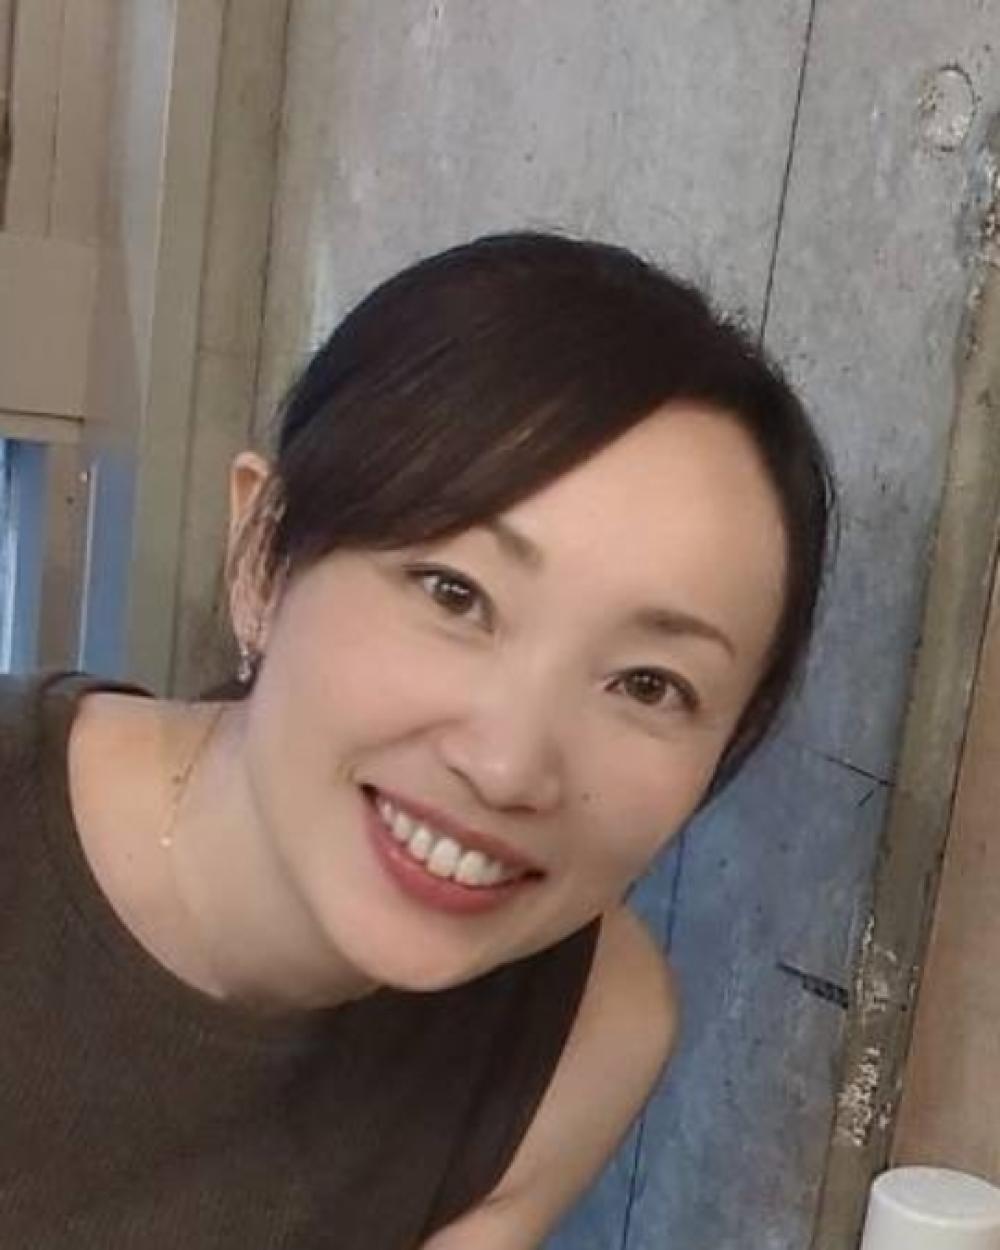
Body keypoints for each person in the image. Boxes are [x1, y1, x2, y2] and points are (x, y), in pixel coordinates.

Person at [0, 233, 833, 1249]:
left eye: (648, 684)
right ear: (263, 556)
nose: (508, 767)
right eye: (454, 593)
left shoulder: (586, 1030)